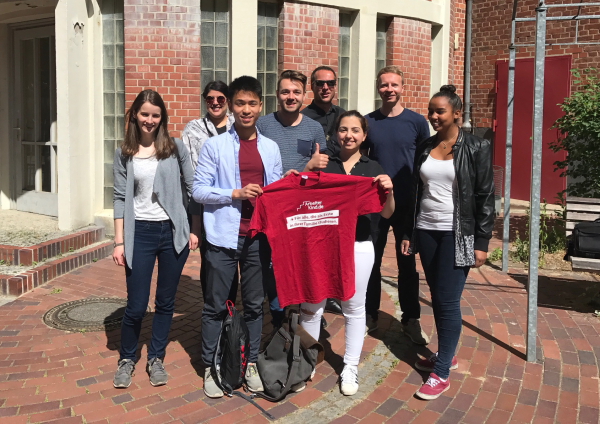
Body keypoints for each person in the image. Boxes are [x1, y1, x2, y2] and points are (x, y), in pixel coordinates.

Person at [401, 85, 494, 400]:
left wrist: (482, 241)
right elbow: (417, 192)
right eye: (431, 111)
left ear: (457, 114)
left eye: (439, 111)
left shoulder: (477, 147)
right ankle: (446, 354)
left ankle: (441, 374)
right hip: (426, 230)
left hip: (460, 233)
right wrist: (409, 233)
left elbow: (485, 196)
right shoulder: (426, 146)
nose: (433, 116)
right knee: (438, 297)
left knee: (448, 299)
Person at [193, 75, 282, 398]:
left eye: (252, 103)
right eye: (240, 103)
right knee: (216, 305)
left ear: (261, 106)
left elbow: (273, 192)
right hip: (222, 238)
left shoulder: (270, 148)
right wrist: (235, 193)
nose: (246, 109)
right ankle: (211, 365)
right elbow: (199, 190)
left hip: (257, 238)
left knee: (256, 305)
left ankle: (251, 363)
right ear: (231, 106)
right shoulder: (214, 145)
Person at [297, 110, 395, 396]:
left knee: (354, 307)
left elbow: (387, 212)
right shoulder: (325, 166)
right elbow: (300, 198)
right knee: (313, 304)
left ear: (364, 135)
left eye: (355, 130)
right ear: (335, 134)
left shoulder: (374, 168)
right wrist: (307, 168)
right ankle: (307, 362)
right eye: (343, 129)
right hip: (323, 245)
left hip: (359, 245)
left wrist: (389, 190)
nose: (348, 135)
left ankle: (350, 366)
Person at [112, 89, 201, 389]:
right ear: (134, 115)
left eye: (155, 115)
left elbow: (193, 188)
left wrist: (193, 228)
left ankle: (156, 358)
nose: (149, 120)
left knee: (165, 301)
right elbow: (119, 197)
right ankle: (127, 358)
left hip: (171, 232)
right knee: (136, 305)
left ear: (162, 118)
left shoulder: (174, 147)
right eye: (144, 113)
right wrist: (119, 242)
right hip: (141, 234)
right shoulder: (124, 152)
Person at [256, 70, 337, 326]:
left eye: (296, 92)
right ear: (277, 94)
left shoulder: (313, 128)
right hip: (273, 206)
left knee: (303, 259)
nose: (291, 97)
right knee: (273, 262)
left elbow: (320, 169)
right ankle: (279, 315)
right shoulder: (263, 125)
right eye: (285, 91)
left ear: (304, 95)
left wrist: (311, 168)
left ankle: (307, 310)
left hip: (303, 209)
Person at [364, 66, 430, 342]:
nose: (389, 89)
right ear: (378, 88)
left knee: (407, 264)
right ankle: (370, 314)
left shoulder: (416, 122)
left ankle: (411, 318)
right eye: (384, 85)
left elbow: (426, 163)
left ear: (403, 87)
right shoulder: (368, 121)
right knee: (372, 262)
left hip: (406, 204)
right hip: (376, 204)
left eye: (394, 85)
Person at [182, 81, 237, 302]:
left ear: (228, 101)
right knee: (210, 260)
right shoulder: (193, 128)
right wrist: (194, 221)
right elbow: (189, 174)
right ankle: (212, 307)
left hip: (234, 201)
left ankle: (230, 309)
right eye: (210, 99)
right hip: (205, 204)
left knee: (232, 256)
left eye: (220, 99)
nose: (215, 103)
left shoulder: (238, 125)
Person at [301, 66, 346, 156]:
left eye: (330, 83)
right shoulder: (302, 118)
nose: (325, 87)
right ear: (312, 86)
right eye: (320, 83)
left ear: (335, 86)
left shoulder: (343, 116)